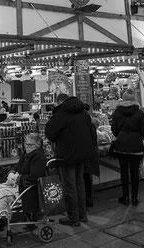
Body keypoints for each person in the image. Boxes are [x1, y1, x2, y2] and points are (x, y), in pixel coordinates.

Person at [45, 94, 96, 226]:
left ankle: (73, 217)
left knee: (69, 186)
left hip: (66, 155)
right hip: (82, 154)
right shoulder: (84, 113)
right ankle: (82, 215)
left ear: (59, 103)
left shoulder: (61, 114)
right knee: (80, 184)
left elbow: (49, 132)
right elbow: (92, 132)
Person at [111, 89, 144, 206]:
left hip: (121, 145)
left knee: (123, 172)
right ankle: (134, 198)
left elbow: (114, 130)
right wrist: (138, 137)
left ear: (123, 99)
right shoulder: (139, 112)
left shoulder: (117, 112)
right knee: (134, 172)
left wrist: (121, 135)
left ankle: (125, 197)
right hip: (135, 145)